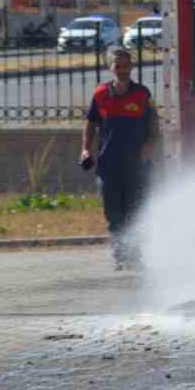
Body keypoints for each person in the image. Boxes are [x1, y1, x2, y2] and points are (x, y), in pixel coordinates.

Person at [81, 48, 159, 269]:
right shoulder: (100, 94)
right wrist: (85, 150)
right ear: (110, 68)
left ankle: (135, 254)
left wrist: (149, 145)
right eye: (118, 66)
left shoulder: (142, 94)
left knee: (135, 211)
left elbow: (154, 125)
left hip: (137, 165)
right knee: (114, 213)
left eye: (126, 65)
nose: (123, 70)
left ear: (131, 67)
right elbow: (90, 124)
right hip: (108, 166)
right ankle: (121, 255)